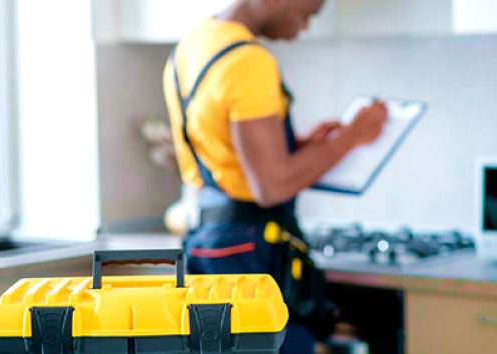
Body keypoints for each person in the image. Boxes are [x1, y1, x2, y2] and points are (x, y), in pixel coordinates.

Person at [162, 0, 387, 353]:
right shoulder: (248, 61)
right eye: (307, 14)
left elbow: (223, 148)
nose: (305, 26)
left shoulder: (193, 45)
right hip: (251, 250)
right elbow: (271, 186)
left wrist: (296, 145)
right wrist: (354, 135)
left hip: (208, 241)